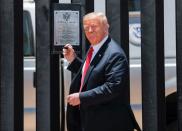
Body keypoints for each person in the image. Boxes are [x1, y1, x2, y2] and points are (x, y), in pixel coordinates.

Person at [63, 12, 141, 131]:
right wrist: (73, 60)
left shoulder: (114, 54)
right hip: (92, 121)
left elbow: (112, 88)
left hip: (107, 123)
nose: (89, 30)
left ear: (105, 27)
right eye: (86, 28)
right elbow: (92, 74)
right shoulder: (95, 48)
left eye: (94, 26)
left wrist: (81, 97)